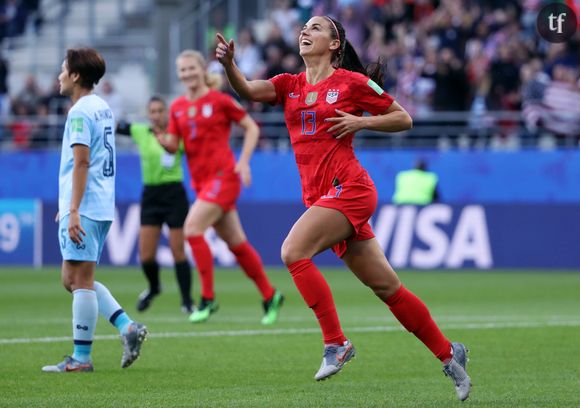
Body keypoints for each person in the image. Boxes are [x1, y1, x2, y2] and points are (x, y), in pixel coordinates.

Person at [215, 15, 471, 401]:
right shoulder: (290, 85)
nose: (305, 31)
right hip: (323, 198)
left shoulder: (350, 83)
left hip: (350, 188)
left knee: (292, 251)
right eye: (304, 26)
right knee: (387, 287)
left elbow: (403, 117)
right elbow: (249, 90)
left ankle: (336, 343)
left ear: (335, 44)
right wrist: (229, 65)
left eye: (316, 27)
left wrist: (359, 123)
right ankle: (450, 353)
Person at [156, 50, 284, 325]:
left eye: (191, 68)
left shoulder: (219, 101)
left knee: (192, 229)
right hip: (201, 183)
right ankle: (270, 295)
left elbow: (251, 127)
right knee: (237, 244)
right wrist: (162, 139)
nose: (187, 74)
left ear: (203, 70)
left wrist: (245, 162)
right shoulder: (177, 107)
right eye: (182, 70)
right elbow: (174, 145)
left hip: (224, 177)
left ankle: (208, 298)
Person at [42, 48, 147, 373]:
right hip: (99, 203)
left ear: (75, 75)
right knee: (72, 278)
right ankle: (127, 327)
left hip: (86, 206)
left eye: (63, 69)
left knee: (80, 280)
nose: (59, 75)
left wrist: (73, 209)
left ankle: (81, 358)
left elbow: (83, 161)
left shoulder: (79, 113)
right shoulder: (102, 108)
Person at [116, 96, 193, 314]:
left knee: (178, 251)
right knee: (146, 255)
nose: (156, 115)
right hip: (151, 195)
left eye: (160, 111)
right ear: (148, 114)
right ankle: (154, 286)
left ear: (167, 113)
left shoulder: (177, 133)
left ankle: (187, 301)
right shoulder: (141, 131)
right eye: (153, 111)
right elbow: (113, 126)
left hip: (174, 194)